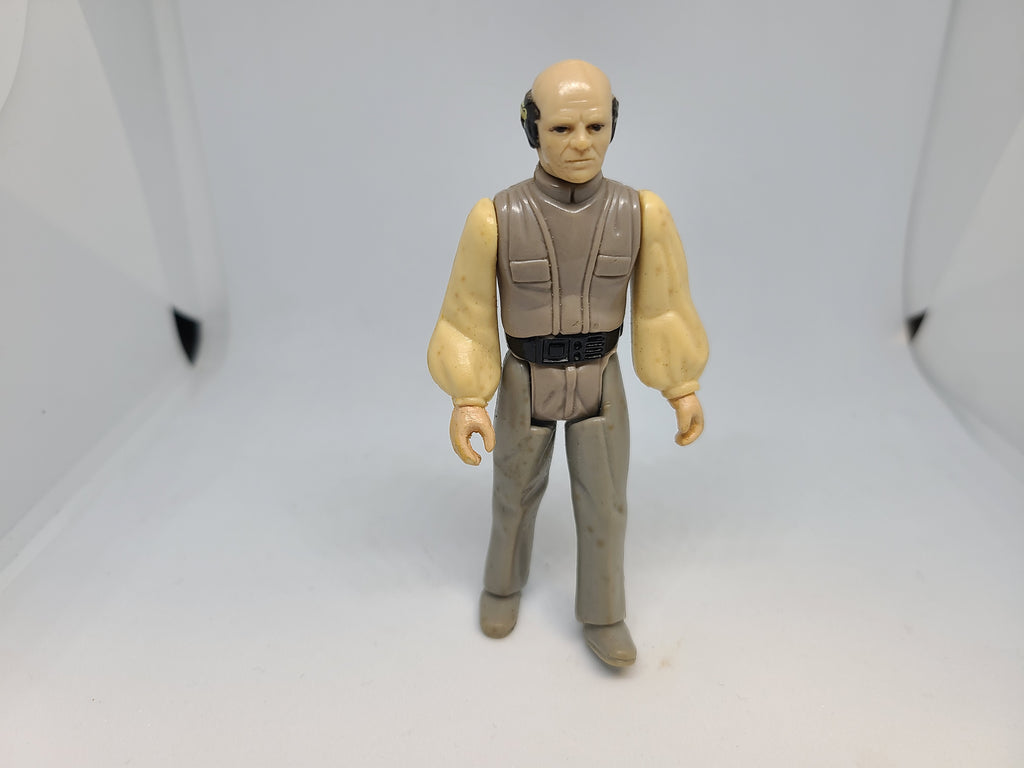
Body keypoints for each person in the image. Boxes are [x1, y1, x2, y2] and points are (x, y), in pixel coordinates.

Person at [428, 60, 708, 667]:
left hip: (600, 377)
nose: (581, 142)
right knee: (513, 493)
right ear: (532, 128)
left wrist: (680, 384)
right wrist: (468, 396)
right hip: (524, 377)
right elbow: (466, 314)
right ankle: (502, 585)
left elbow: (663, 307)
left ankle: (605, 613)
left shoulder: (642, 214)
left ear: (613, 125)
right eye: (561, 128)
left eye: (595, 126)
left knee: (606, 502)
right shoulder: (496, 218)